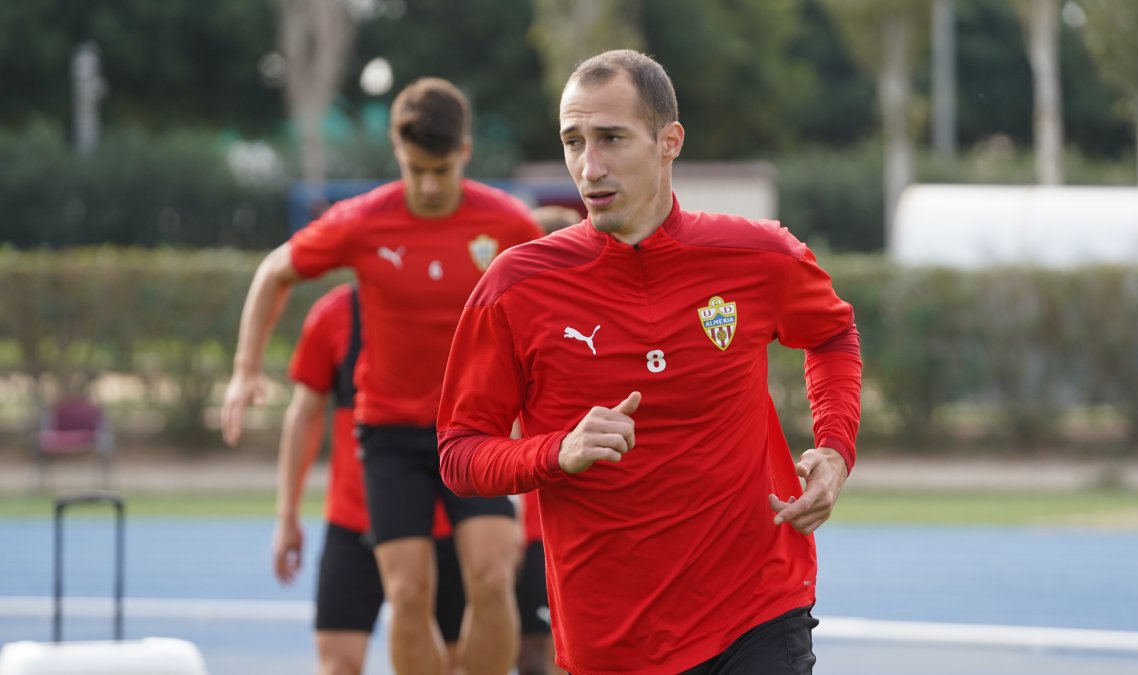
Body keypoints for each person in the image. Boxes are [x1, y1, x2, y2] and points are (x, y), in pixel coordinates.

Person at [437, 49, 862, 675]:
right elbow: (459, 454)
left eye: (611, 138)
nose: (590, 166)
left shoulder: (759, 255)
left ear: (670, 142)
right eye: (573, 141)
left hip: (758, 607)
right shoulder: (515, 286)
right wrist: (557, 451)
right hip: (610, 640)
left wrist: (834, 449)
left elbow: (832, 335)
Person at [223, 77, 542, 675]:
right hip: (390, 436)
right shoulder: (363, 221)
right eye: (415, 168)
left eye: (440, 170)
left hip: (477, 427)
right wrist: (245, 370)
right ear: (398, 153)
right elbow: (275, 272)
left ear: (464, 154)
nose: (426, 185)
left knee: (494, 576)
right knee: (408, 593)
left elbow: (564, 292)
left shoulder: (506, 222)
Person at [273, 284, 555, 675]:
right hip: (354, 519)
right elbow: (304, 415)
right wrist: (287, 514)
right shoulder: (335, 314)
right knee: (337, 664)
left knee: (460, 651)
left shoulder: (463, 308)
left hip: (442, 528)